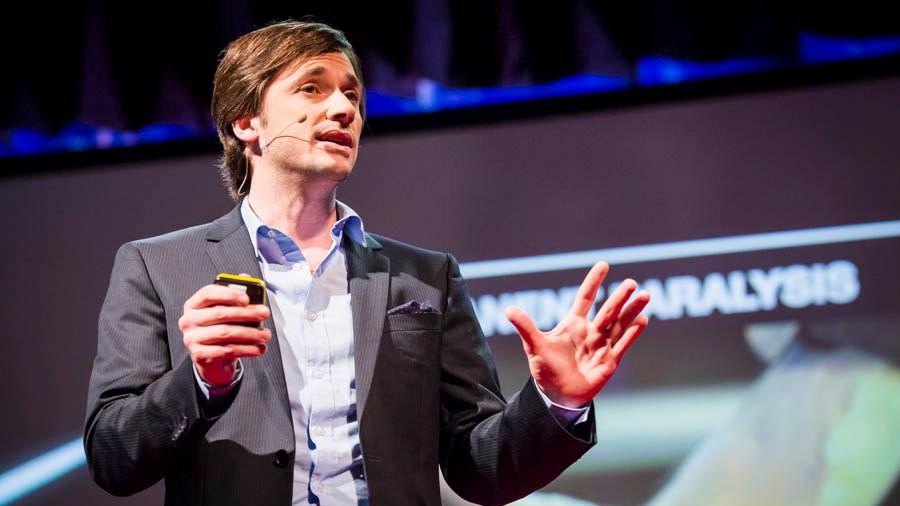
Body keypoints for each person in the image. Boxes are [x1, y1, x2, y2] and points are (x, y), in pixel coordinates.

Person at [84, 20, 650, 506]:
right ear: (245, 122)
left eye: (351, 95)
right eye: (312, 89)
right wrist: (201, 382)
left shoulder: (426, 276)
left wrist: (558, 401)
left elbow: (482, 471)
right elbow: (113, 459)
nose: (343, 108)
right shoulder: (156, 266)